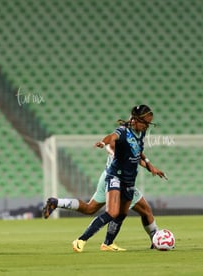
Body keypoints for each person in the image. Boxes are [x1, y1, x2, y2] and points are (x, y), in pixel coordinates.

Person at [71, 105, 166, 252]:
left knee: (122, 214)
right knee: (112, 212)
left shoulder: (141, 133)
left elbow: (138, 151)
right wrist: (103, 142)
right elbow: (111, 137)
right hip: (116, 176)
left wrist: (149, 165)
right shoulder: (123, 131)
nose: (147, 126)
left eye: (149, 123)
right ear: (135, 120)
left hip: (129, 180)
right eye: (145, 122)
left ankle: (107, 244)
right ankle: (81, 240)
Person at [42, 143, 159, 249]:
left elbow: (135, 157)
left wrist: (150, 168)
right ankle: (153, 240)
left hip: (107, 176)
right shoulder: (124, 135)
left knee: (90, 208)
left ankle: (57, 202)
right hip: (119, 179)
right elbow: (110, 145)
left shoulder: (131, 139)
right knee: (143, 211)